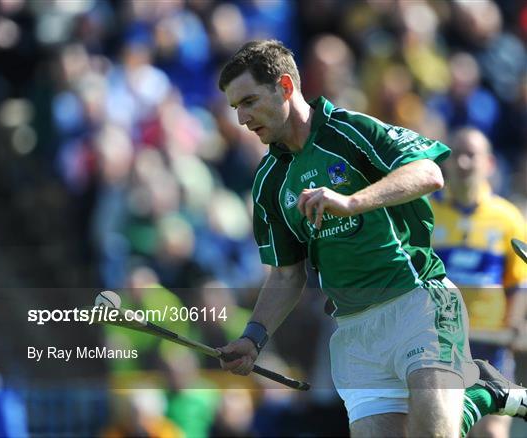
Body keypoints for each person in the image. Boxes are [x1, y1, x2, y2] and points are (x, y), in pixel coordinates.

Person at [216, 39, 527, 437]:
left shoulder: (350, 131)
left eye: (249, 101)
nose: (242, 118)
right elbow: (286, 277)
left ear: (286, 87)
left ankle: (481, 394)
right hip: (357, 332)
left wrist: (351, 202)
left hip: (417, 302)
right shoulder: (269, 183)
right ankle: (481, 392)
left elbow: (429, 172)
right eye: (235, 107)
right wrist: (253, 338)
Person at [431, 127, 527, 437]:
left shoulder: (508, 217)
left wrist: (513, 325)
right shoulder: (426, 214)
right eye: (456, 154)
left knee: (492, 432)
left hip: (492, 346)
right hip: (439, 344)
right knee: (446, 427)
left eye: (471, 155)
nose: (462, 162)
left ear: (489, 163)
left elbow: (520, 282)